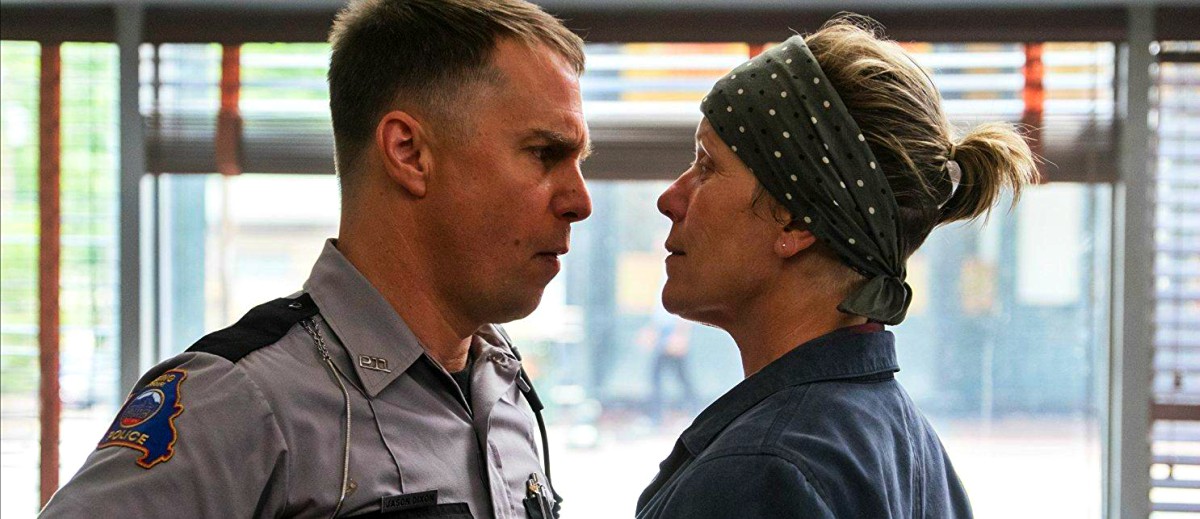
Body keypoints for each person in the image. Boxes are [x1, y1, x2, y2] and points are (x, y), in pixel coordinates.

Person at [41, 1, 591, 517]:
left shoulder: (503, 388)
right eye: (544, 154)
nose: (580, 201)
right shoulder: (241, 399)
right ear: (409, 153)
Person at [635, 16, 1036, 519]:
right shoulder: (903, 442)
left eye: (707, 165)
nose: (670, 198)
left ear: (796, 220)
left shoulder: (761, 474)